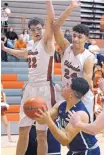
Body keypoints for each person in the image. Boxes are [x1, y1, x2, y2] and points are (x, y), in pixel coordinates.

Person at [1, 1, 56, 155]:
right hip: (30, 88)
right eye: (33, 30)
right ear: (30, 31)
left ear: (43, 29)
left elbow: (51, 20)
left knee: (41, 134)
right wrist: (5, 49)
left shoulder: (47, 42)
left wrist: (48, 2)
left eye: (39, 29)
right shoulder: (31, 44)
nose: (36, 32)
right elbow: (23, 53)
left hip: (44, 88)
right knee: (23, 130)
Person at [53, 0, 95, 122]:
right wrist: (70, 8)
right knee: (65, 133)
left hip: (81, 97)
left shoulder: (88, 58)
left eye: (79, 37)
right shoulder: (66, 47)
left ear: (86, 39)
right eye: (74, 35)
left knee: (82, 132)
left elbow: (85, 85)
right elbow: (56, 28)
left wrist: (72, 97)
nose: (76, 39)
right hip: (67, 94)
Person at [35, 77, 100, 155]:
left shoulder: (80, 114)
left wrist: (49, 121)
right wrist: (35, 111)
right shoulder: (60, 105)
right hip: (74, 150)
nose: (63, 86)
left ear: (71, 95)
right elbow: (41, 120)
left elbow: (65, 140)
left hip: (88, 151)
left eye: (67, 85)